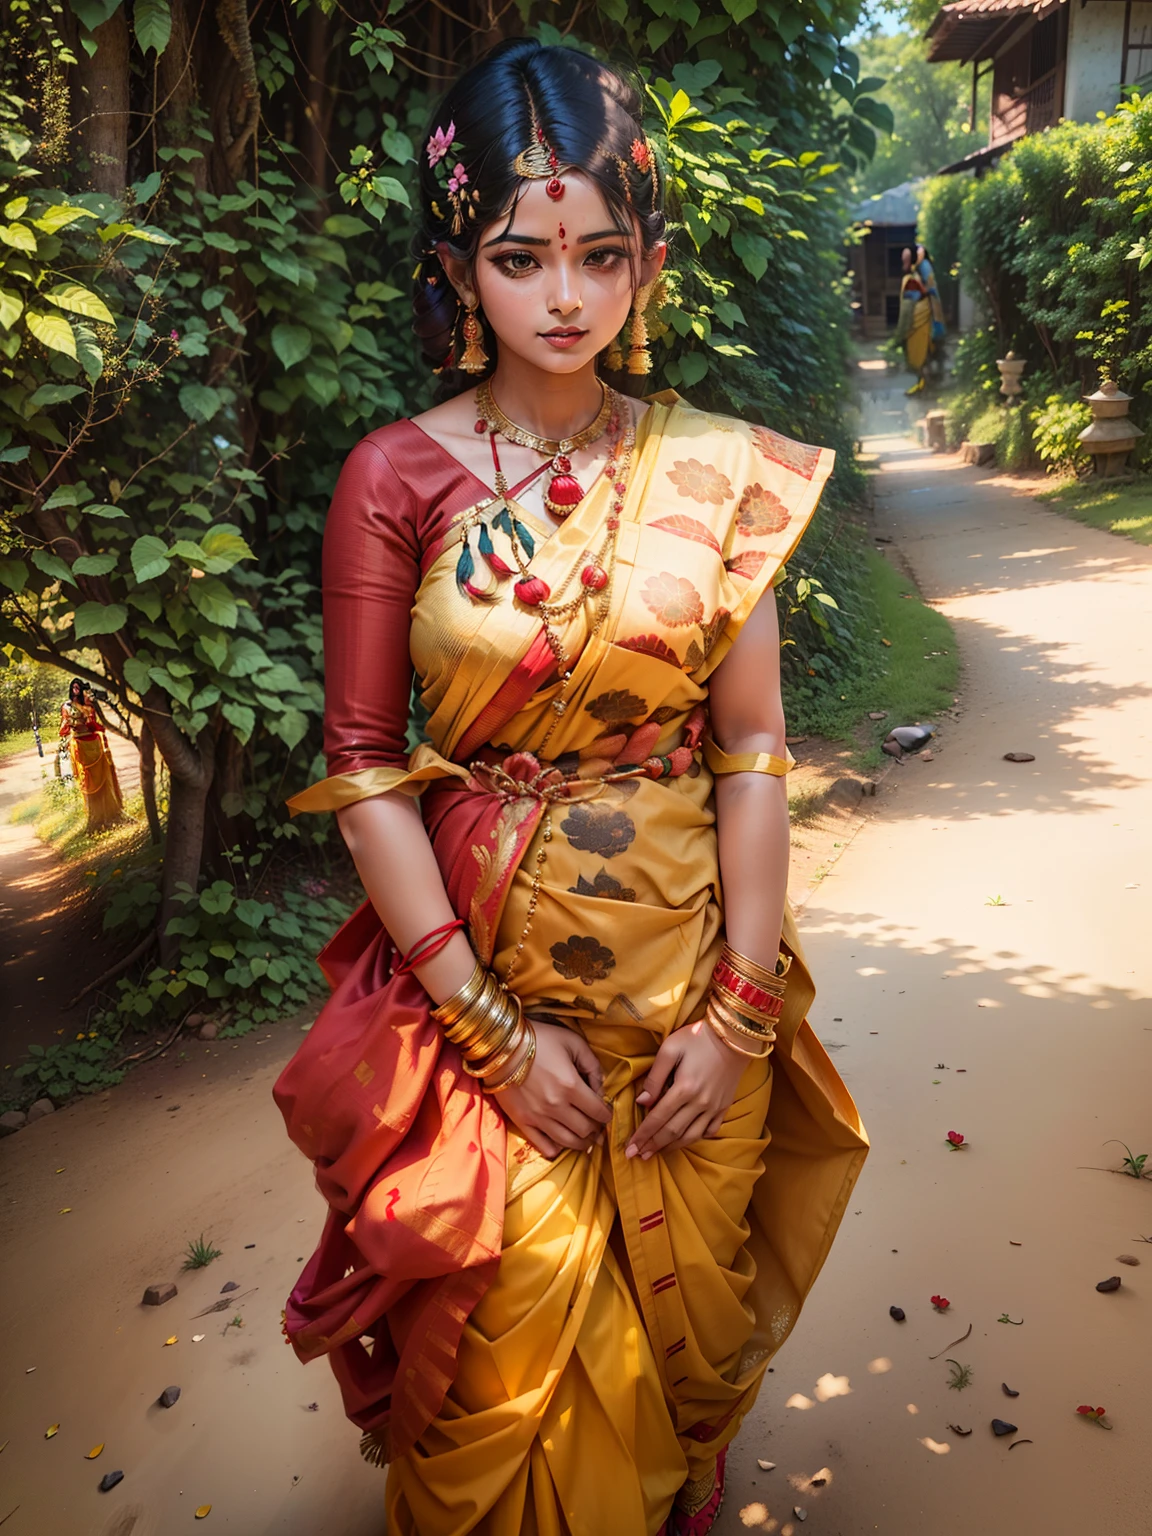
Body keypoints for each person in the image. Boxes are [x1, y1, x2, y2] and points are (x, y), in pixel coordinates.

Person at [274, 38, 867, 1536]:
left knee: (693, 1321)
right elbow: (363, 770)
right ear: (458, 266)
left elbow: (748, 752)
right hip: (482, 980)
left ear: (647, 262)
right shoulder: (393, 478)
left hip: (689, 989)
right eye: (520, 254)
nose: (563, 296)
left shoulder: (715, 475)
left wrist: (740, 1015)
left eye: (601, 256)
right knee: (506, 1324)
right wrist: (482, 1029)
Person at [58, 677, 126, 831]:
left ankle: (110, 813)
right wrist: (68, 725)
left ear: (82, 689)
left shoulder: (88, 705)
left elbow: (92, 724)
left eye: (78, 687)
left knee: (102, 778)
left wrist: (95, 724)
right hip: (80, 746)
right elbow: (63, 730)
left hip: (94, 744)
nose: (75, 690)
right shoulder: (66, 707)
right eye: (73, 687)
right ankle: (94, 817)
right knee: (87, 781)